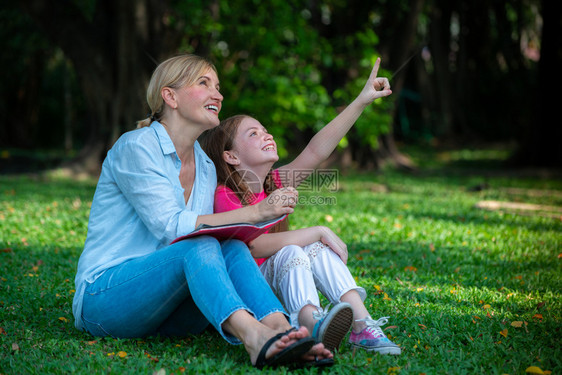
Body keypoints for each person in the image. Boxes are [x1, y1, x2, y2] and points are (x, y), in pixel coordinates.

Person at [71, 54, 333, 369]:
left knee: (231, 246)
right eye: (204, 83)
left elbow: (215, 236)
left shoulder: (206, 166)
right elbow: (173, 227)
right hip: (106, 301)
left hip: (169, 312)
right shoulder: (136, 147)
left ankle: (283, 330)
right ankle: (254, 337)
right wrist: (253, 214)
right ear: (170, 96)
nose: (218, 95)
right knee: (198, 242)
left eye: (218, 87)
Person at [199, 58, 402, 355]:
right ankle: (309, 323)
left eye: (265, 130)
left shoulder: (275, 182)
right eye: (253, 134)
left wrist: (361, 101)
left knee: (316, 249)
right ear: (230, 156)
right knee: (296, 248)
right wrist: (317, 230)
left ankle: (363, 324)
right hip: (253, 293)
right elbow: (252, 247)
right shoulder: (226, 194)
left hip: (279, 279)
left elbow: (317, 150)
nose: (266, 135)